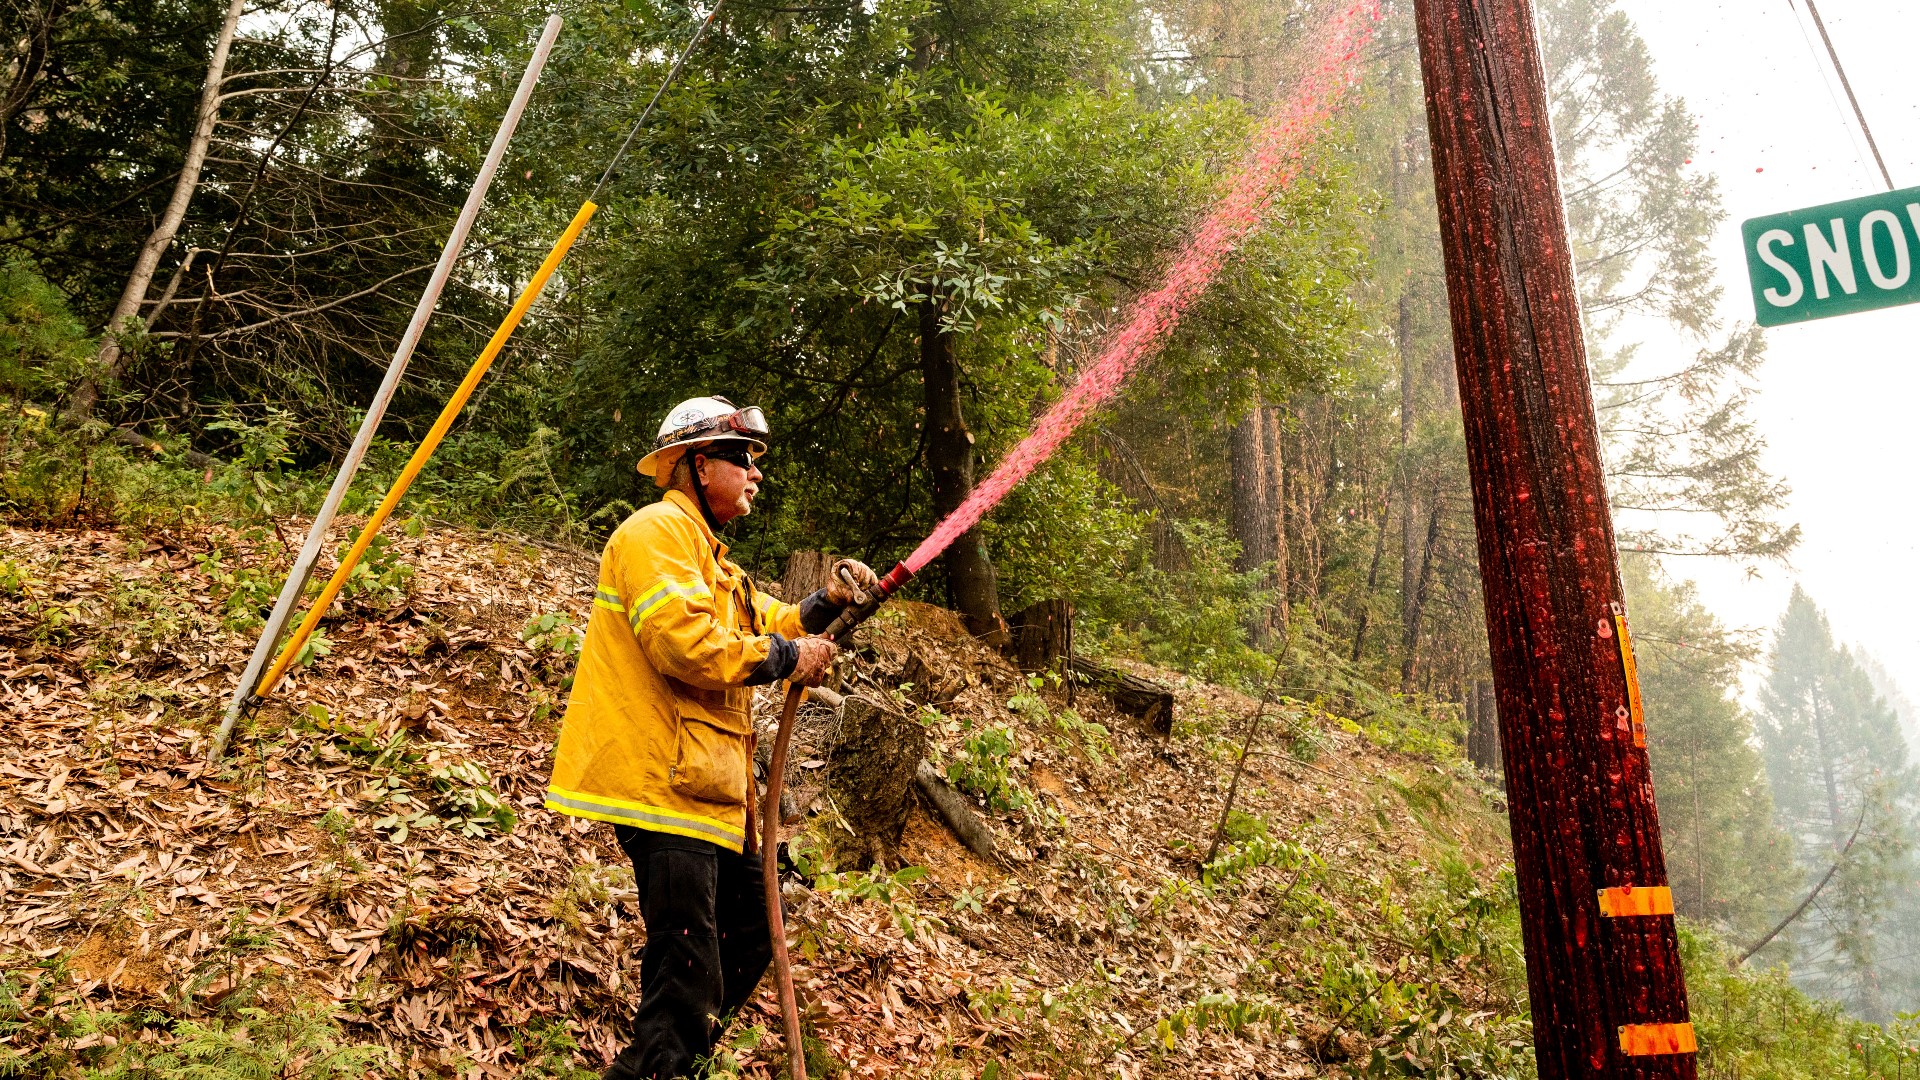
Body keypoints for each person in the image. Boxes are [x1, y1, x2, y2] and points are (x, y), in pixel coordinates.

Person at [545, 396, 878, 1080]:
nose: (754, 473)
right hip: (663, 789)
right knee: (686, 971)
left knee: (753, 928)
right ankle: (661, 1065)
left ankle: (672, 1062)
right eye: (740, 458)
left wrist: (828, 604)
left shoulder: (713, 561)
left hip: (709, 795)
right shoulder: (656, 535)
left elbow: (773, 620)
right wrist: (789, 659)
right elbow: (684, 644)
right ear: (696, 465)